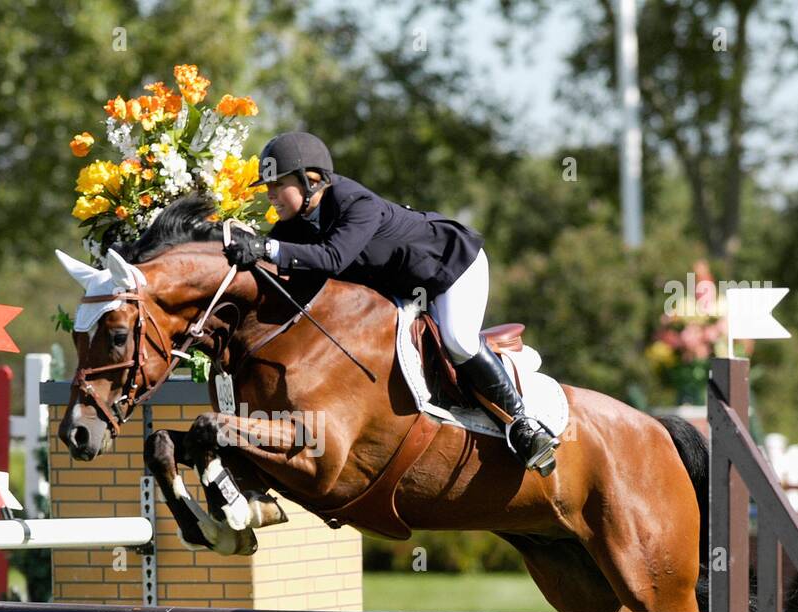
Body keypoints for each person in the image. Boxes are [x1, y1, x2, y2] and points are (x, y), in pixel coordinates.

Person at [223, 131, 558, 474]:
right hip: (405, 290)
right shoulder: (293, 226)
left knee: (457, 340)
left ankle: (525, 424)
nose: (270, 195)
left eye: (278, 184)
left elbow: (333, 258)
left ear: (311, 180)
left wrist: (265, 248)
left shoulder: (354, 202)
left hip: (451, 268)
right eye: (268, 187)